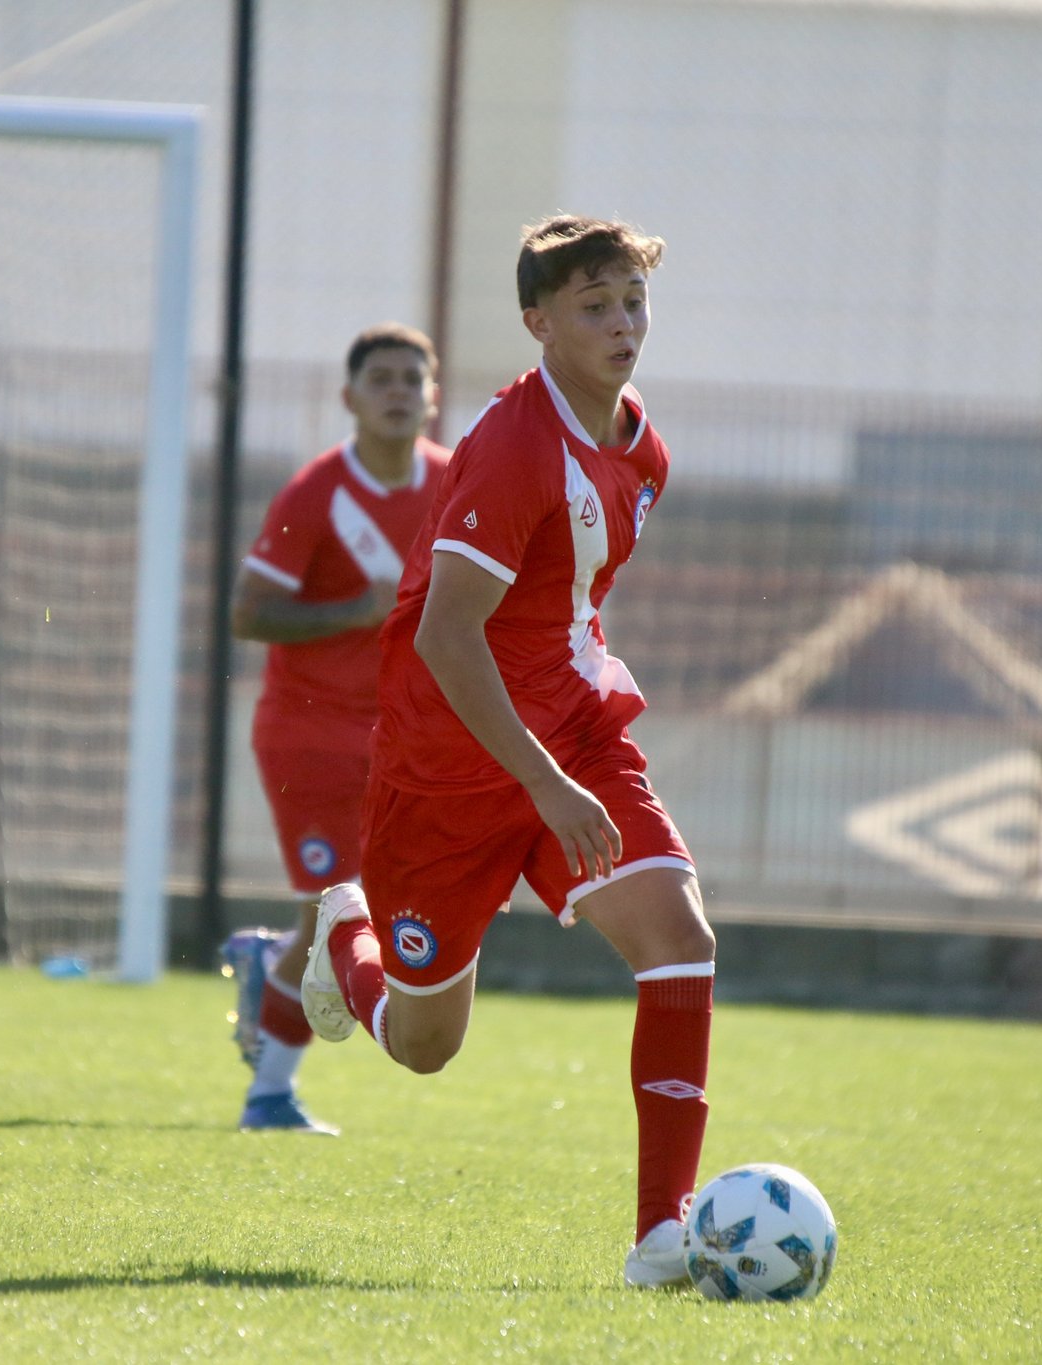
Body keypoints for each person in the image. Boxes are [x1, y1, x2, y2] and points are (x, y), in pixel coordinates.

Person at [298, 216, 716, 1288]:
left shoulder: (641, 448)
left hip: (573, 737)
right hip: (448, 770)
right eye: (593, 306)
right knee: (424, 1045)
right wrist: (541, 778)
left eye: (632, 300)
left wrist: (568, 760)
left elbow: (564, 611)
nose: (622, 323)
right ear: (537, 323)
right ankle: (350, 935)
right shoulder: (515, 447)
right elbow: (446, 634)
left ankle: (660, 1235)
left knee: (678, 939)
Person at [220, 325, 450, 1134]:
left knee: (379, 914)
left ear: (433, 395)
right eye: (379, 378)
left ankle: (266, 970)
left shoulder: (458, 484)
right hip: (309, 735)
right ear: (349, 398)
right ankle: (269, 1096)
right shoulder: (315, 493)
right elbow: (248, 612)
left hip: (409, 743)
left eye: (411, 378)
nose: (397, 391)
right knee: (329, 914)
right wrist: (356, 608)